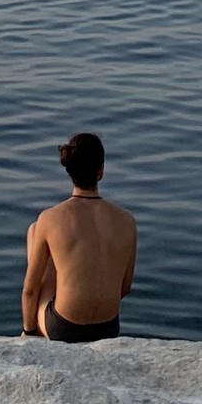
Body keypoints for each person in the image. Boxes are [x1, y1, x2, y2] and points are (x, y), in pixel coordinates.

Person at [21, 131, 136, 342]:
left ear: (69, 170)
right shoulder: (127, 221)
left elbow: (30, 290)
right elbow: (125, 287)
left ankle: (33, 331)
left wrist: (29, 333)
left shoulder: (50, 218)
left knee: (35, 230)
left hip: (64, 328)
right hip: (109, 328)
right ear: (100, 172)